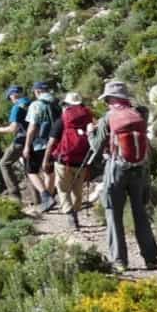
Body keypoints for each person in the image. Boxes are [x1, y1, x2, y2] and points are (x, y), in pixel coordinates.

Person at [98, 80, 157, 271]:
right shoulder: (139, 114)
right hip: (140, 170)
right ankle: (151, 258)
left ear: (111, 98)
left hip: (116, 169)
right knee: (140, 213)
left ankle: (119, 261)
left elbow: (96, 146)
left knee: (113, 214)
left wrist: (90, 134)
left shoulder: (107, 118)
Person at [52, 90, 94, 230]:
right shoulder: (88, 119)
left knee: (63, 189)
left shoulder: (63, 120)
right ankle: (76, 211)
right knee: (78, 190)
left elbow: (52, 141)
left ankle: (70, 214)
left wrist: (47, 159)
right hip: (81, 160)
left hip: (63, 160)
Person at [23, 82, 61, 213]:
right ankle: (48, 201)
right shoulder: (57, 103)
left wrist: (27, 146)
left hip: (39, 143)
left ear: (38, 91)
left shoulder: (36, 105)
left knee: (31, 171)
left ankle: (45, 196)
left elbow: (32, 127)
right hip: (55, 143)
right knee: (49, 172)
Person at [0, 86, 28, 196]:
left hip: (21, 140)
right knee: (29, 169)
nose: (11, 100)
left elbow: (13, 128)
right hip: (35, 140)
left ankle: (14, 195)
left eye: (10, 98)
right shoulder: (31, 102)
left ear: (12, 95)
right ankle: (38, 200)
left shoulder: (17, 107)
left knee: (4, 163)